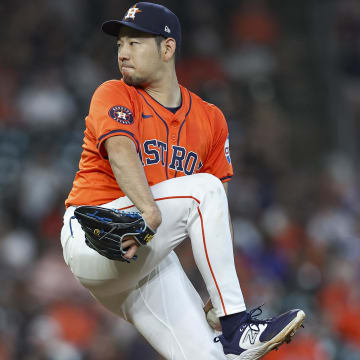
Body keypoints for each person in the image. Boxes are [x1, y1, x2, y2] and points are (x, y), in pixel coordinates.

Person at [61, 2, 305, 359]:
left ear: (168, 47)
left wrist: (218, 291)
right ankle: (239, 327)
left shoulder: (210, 119)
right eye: (119, 45)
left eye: (135, 43)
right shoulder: (115, 93)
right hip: (95, 232)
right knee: (201, 189)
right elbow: (120, 152)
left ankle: (232, 328)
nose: (123, 53)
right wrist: (149, 212)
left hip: (147, 262)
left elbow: (216, 208)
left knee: (211, 356)